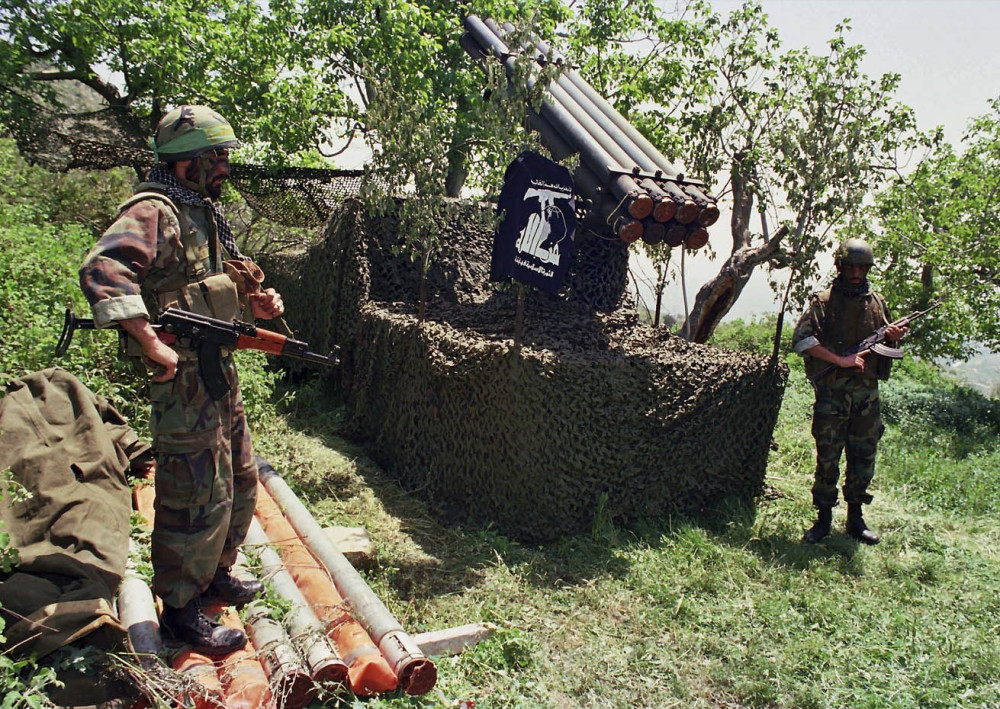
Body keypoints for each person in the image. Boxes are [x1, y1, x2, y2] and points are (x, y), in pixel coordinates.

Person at [79, 106, 284, 655]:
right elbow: (104, 269)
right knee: (193, 490)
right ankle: (179, 610)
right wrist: (148, 338)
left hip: (218, 368)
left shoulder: (205, 212)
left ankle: (217, 573)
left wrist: (258, 301)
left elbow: (221, 279)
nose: (224, 167)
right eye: (216, 157)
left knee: (239, 477)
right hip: (182, 376)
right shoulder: (153, 209)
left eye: (225, 156)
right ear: (185, 160)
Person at [791, 238, 907, 546]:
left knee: (863, 456)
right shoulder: (824, 301)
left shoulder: (877, 301)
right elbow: (803, 340)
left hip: (866, 397)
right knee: (828, 456)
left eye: (861, 267)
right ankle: (823, 519)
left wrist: (892, 338)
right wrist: (840, 359)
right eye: (850, 267)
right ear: (840, 267)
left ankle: (855, 518)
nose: (856, 273)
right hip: (833, 396)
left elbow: (884, 346)